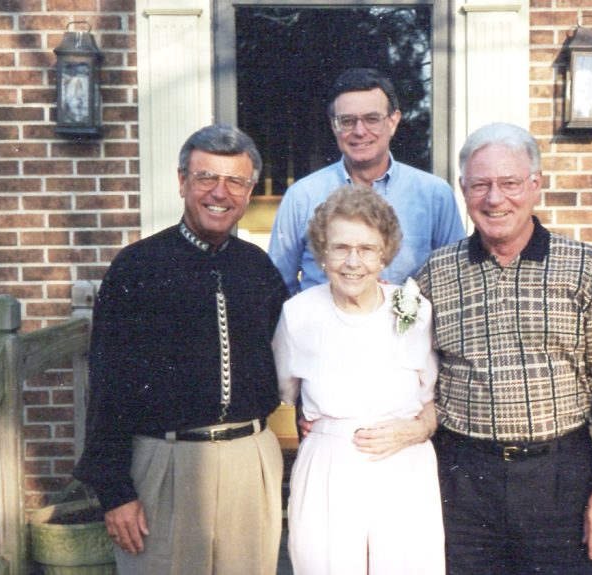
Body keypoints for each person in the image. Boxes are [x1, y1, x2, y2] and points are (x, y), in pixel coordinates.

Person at [416, 122, 592, 574]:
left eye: (509, 183)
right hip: (462, 483)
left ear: (535, 185)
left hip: (559, 482)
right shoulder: (434, 275)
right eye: (480, 185)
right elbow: (401, 363)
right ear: (463, 190)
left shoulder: (585, 269)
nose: (494, 199)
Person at [74, 124, 289, 575]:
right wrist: (116, 492)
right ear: (181, 182)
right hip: (163, 466)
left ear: (250, 191)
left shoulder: (258, 269)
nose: (220, 193)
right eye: (206, 177)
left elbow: (288, 356)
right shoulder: (137, 267)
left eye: (236, 181)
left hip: (248, 461)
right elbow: (108, 384)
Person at [273, 184, 445, 575]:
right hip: (329, 465)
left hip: (405, 463)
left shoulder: (415, 310)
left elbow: (430, 396)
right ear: (321, 252)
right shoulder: (298, 315)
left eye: (367, 249)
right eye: (340, 248)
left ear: (385, 253)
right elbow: (287, 393)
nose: (354, 262)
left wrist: (417, 429)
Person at [268, 67, 465, 294]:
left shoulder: (434, 195)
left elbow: (453, 280)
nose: (360, 131)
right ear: (334, 125)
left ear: (393, 121)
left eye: (372, 119)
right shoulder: (302, 196)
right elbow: (278, 285)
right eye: (347, 121)